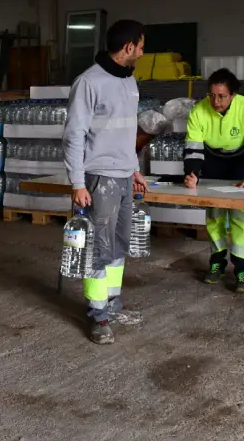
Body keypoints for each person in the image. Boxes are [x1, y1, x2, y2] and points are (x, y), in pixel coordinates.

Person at [63, 19, 149, 345]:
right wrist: (77, 183)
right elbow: (73, 136)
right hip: (98, 177)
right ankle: (97, 315)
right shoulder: (88, 82)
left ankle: (112, 303)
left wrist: (135, 167)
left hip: (124, 175)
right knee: (98, 249)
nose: (142, 52)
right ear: (128, 47)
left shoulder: (129, 81)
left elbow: (125, 133)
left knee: (119, 245)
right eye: (140, 46)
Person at [183, 68, 244, 293]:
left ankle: (242, 270)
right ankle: (216, 262)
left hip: (241, 162)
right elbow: (193, 149)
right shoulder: (199, 110)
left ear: (233, 95)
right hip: (213, 161)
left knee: (239, 214)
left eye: (221, 96)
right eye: (212, 95)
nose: (216, 101)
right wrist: (193, 174)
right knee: (214, 214)